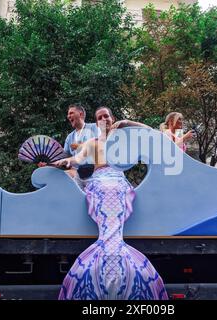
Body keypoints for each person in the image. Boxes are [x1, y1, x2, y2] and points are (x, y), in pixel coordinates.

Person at [53, 107, 168, 300]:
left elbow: (152, 133)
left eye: (106, 116)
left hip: (118, 181)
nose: (103, 119)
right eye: (99, 117)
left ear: (113, 118)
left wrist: (127, 123)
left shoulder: (123, 141)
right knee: (106, 187)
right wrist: (64, 161)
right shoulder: (91, 143)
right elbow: (76, 159)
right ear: (96, 123)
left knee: (114, 186)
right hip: (98, 181)